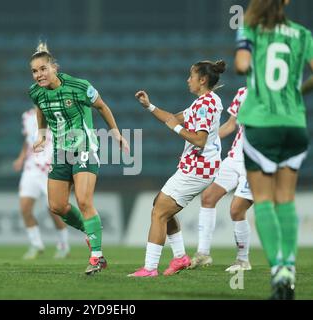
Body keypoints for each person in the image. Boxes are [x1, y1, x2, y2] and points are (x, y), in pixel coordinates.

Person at [28, 41, 130, 275]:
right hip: (60, 152)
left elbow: (102, 106)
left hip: (84, 147)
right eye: (34, 71)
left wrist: (116, 133)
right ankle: (91, 231)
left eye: (43, 69)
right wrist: (42, 134)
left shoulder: (79, 86)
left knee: (84, 201)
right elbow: (40, 108)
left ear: (54, 67)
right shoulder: (35, 92)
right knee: (57, 206)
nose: (39, 75)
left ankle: (97, 256)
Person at [235, 0, 313, 299]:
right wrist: (299, 91)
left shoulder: (250, 28)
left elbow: (242, 65)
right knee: (286, 199)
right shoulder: (302, 34)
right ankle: (290, 268)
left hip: (261, 122)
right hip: (294, 123)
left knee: (264, 200)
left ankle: (278, 270)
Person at [128, 60, 226, 277]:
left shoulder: (205, 105)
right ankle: (180, 257)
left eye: (191, 76)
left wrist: (177, 128)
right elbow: (173, 118)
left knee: (159, 212)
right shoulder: (206, 101)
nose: (188, 80)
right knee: (160, 205)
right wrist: (149, 106)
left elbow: (199, 140)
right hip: (197, 166)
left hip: (198, 168)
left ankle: (150, 268)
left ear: (202, 80)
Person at [189, 87, 254, 272]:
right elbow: (231, 124)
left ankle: (243, 260)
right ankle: (203, 254)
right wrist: (207, 141)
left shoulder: (275, 95)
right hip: (234, 158)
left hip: (256, 162)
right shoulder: (242, 92)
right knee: (208, 197)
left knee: (236, 210)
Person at [13, 107, 71, 260]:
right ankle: (36, 244)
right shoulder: (27, 116)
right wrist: (21, 158)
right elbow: (28, 142)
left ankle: (64, 245)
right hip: (31, 168)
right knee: (24, 208)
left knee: (54, 210)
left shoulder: (56, 113)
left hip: (50, 168)